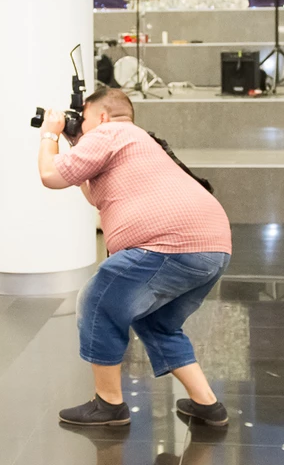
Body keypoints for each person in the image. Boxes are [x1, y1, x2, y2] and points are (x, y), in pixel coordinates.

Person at [37, 87, 232, 428]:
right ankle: (207, 404)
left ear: (101, 116)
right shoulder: (138, 140)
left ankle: (109, 404)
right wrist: (75, 145)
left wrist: (49, 135)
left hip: (170, 245)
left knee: (99, 300)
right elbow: (92, 194)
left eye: (84, 119)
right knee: (155, 321)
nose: (81, 126)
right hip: (213, 246)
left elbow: (50, 176)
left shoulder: (108, 132)